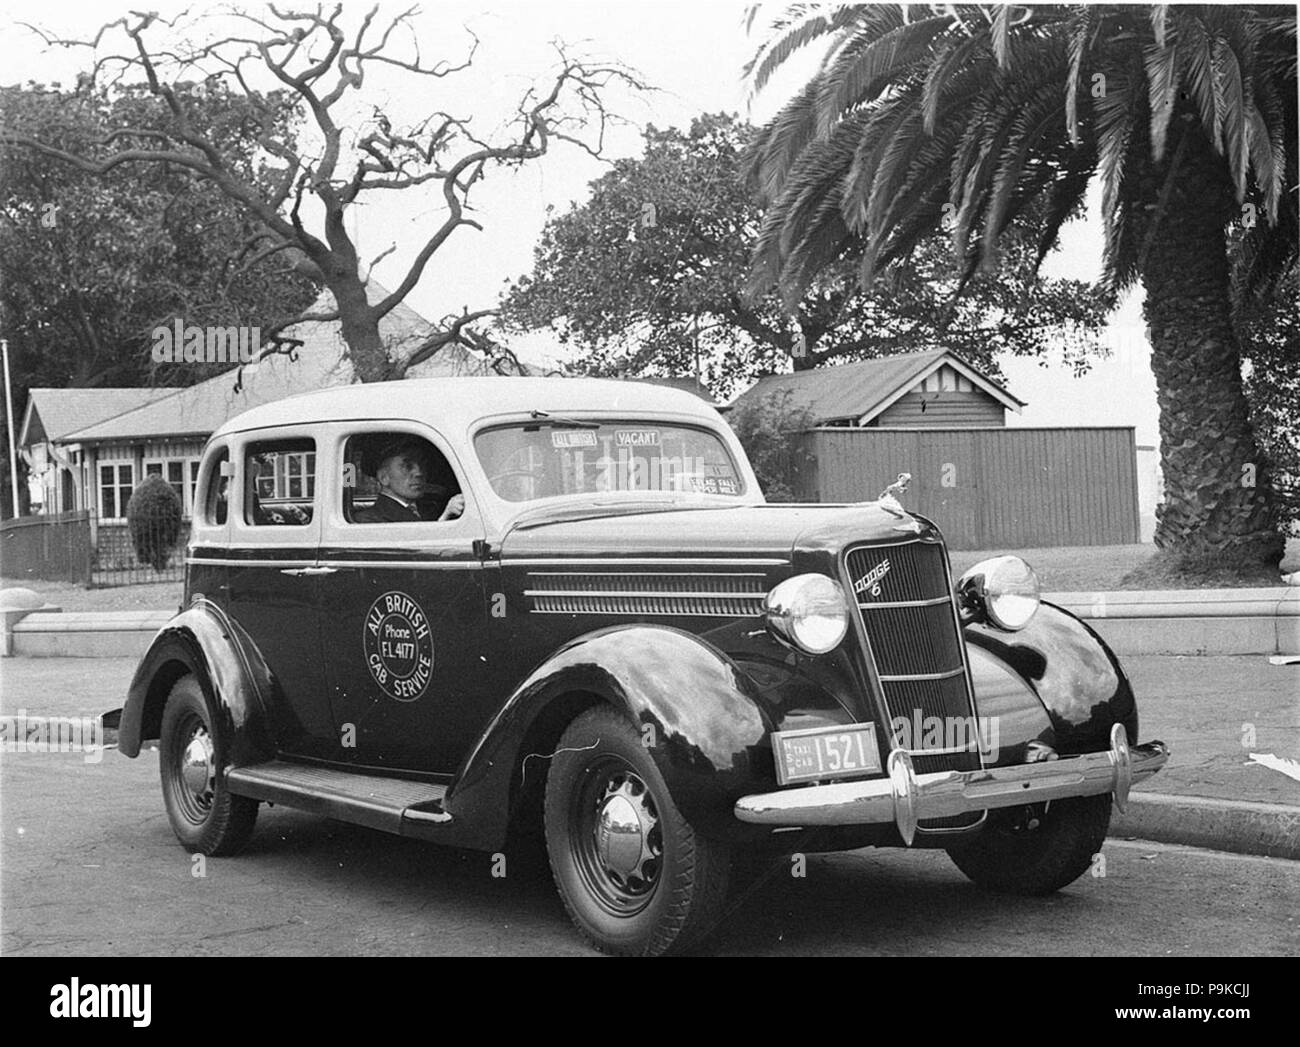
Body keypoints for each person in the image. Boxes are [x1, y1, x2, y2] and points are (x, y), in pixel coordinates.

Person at [354, 436, 465, 523]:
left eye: (422, 464)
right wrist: (444, 519)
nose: (419, 473)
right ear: (384, 477)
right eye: (407, 466)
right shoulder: (368, 520)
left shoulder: (430, 508)